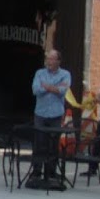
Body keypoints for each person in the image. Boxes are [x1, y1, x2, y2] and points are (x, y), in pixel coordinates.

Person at [30, 50, 71, 181]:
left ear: (59, 61)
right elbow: (35, 90)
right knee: (39, 143)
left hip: (56, 114)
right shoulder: (39, 73)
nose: (49, 62)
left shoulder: (65, 74)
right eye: (48, 59)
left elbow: (62, 90)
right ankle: (36, 171)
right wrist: (53, 87)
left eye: (52, 59)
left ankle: (51, 171)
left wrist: (47, 86)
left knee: (53, 144)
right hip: (40, 113)